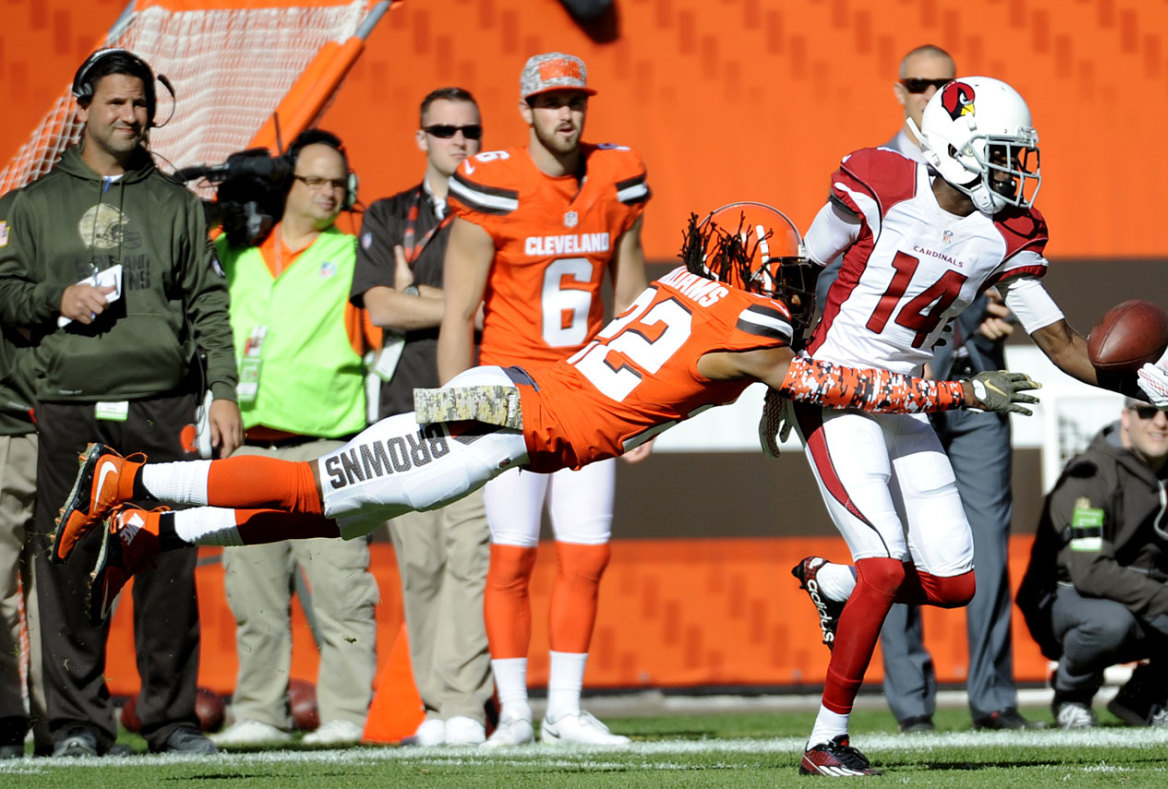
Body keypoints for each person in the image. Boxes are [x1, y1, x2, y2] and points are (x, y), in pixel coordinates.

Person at [53, 202, 1039, 722]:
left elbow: (677, 381)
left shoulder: (687, 287)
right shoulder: (747, 327)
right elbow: (840, 385)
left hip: (515, 409)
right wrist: (961, 391)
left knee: (338, 514)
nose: (788, 281)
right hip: (502, 420)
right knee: (321, 485)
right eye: (776, 270)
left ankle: (158, 525)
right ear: (748, 268)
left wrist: (682, 414)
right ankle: (126, 480)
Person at [791, 75, 1168, 776]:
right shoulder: (880, 180)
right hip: (840, 389)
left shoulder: (1005, 234)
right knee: (885, 566)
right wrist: (781, 371)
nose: (1016, 172)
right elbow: (799, 265)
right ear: (956, 147)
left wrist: (1137, 380)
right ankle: (828, 737)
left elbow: (1065, 344)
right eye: (1004, 153)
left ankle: (833, 582)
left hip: (908, 399)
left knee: (954, 583)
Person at [0, 48, 241, 757]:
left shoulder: (174, 204)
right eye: (115, 102)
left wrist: (222, 392)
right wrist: (56, 297)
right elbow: (5, 293)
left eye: (140, 104)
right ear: (82, 104)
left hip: (163, 406)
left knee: (167, 561)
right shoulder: (33, 205)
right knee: (70, 565)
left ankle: (170, 720)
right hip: (68, 405)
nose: (131, 115)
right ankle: (77, 724)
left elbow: (208, 303)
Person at [437, 51, 653, 747]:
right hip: (510, 389)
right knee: (514, 553)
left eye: (576, 100)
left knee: (587, 554)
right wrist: (454, 406)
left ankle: (565, 708)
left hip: (588, 389)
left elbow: (628, 300)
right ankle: (517, 713)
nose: (567, 113)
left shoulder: (616, 177)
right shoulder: (492, 184)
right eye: (552, 100)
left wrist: (641, 401)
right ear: (526, 108)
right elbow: (458, 310)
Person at [874, 44, 1033, 733]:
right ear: (899, 92)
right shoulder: (878, 173)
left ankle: (993, 696)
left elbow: (1011, 256)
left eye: (944, 82)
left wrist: (1003, 301)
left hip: (977, 379)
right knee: (896, 543)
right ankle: (912, 707)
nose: (930, 91)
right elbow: (852, 277)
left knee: (989, 548)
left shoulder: (993, 155)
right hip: (903, 383)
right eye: (919, 83)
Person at [212, 129, 379, 748]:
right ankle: (259, 711)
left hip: (328, 446)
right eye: (316, 180)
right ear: (288, 184)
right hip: (248, 444)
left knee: (342, 589)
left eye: (339, 181)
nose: (330, 191)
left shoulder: (359, 251)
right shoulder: (234, 253)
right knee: (252, 592)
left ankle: (345, 713)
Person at [353, 87, 493, 747]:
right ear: (421, 136)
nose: (458, 140)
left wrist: (421, 294)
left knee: (470, 554)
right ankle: (438, 707)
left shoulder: (498, 209)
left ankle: (465, 702)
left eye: (469, 129)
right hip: (406, 408)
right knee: (424, 564)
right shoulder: (387, 211)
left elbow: (495, 310)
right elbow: (379, 309)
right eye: (443, 129)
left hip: (479, 405)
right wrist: (457, 304)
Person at [1017, 398, 1168, 729]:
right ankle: (1072, 696)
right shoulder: (1088, 473)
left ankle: (1142, 697)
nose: (1161, 422)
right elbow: (1090, 572)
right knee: (1111, 623)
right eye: (1148, 411)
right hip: (1066, 595)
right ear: (1126, 417)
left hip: (1143, 594)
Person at [0, 188, 50, 758]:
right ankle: (8, 720)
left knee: (57, 585)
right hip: (10, 419)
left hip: (61, 417)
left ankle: (63, 720)